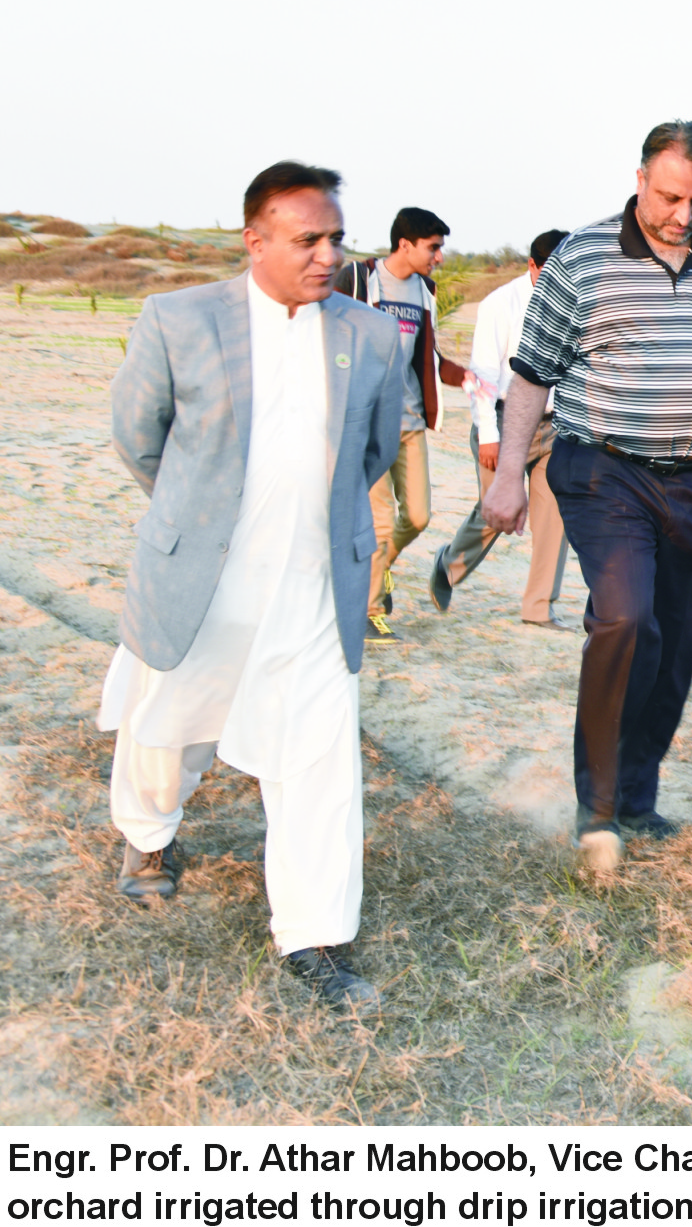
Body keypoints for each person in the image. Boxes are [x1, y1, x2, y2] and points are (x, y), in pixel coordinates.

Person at [102, 161, 405, 1007]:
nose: (326, 255)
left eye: (336, 238)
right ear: (256, 239)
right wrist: (198, 518)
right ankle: (149, 836)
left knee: (318, 762)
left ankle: (312, 937)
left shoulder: (372, 336)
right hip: (204, 580)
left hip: (314, 588)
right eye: (307, 239)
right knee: (165, 724)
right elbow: (138, 436)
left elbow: (373, 451)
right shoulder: (179, 319)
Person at [483, 121, 692, 874]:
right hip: (606, 471)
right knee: (625, 617)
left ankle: (637, 796)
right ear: (640, 179)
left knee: (674, 641)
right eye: (670, 196)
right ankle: (595, 807)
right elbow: (532, 375)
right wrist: (507, 476)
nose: (682, 215)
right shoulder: (583, 257)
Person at [427, 228, 572, 628]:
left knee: (553, 516)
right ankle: (449, 564)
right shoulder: (500, 304)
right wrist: (488, 434)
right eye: (553, 272)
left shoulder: (575, 302)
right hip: (505, 422)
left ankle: (539, 608)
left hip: (555, 425)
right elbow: (485, 375)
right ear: (532, 266)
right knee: (497, 513)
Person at [334, 206, 457, 646]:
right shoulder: (358, 279)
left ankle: (376, 572)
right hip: (365, 424)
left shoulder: (424, 290)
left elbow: (430, 357)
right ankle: (368, 611)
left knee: (419, 516)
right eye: (433, 247)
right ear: (405, 244)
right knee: (381, 524)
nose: (439, 256)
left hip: (408, 422)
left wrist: (472, 377)